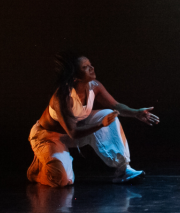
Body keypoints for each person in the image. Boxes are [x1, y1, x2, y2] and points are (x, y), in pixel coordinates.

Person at [27, 52, 158, 187]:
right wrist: (100, 124)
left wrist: (136, 113)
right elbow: (73, 132)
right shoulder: (63, 97)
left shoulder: (94, 86)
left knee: (109, 114)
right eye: (85, 67)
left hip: (76, 129)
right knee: (62, 180)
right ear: (75, 76)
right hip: (49, 137)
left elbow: (116, 105)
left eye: (90, 65)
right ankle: (36, 171)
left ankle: (123, 169)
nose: (92, 68)